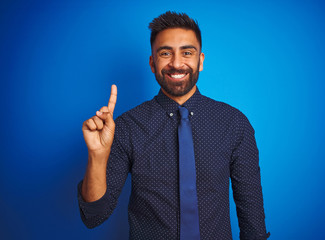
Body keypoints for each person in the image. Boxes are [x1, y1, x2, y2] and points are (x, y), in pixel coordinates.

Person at [78, 11, 270, 240]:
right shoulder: (127, 127)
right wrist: (97, 156)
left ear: (200, 61)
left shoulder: (234, 123)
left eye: (187, 53)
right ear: (152, 62)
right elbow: (94, 216)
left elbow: (253, 223)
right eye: (165, 53)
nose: (177, 63)